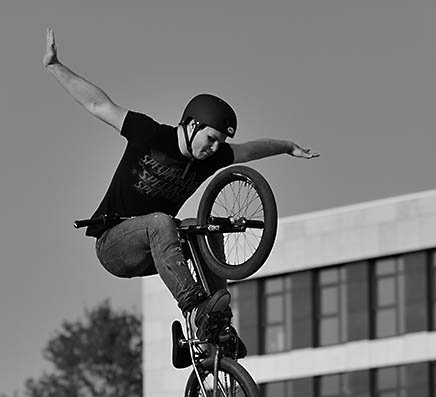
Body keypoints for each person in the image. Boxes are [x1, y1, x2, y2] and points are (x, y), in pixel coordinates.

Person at [43, 27, 319, 350]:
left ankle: (217, 324)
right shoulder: (149, 134)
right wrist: (54, 66)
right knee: (162, 221)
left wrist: (287, 146)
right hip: (114, 244)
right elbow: (98, 105)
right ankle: (196, 308)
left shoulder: (208, 160)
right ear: (191, 125)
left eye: (220, 143)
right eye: (211, 139)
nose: (215, 149)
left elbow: (250, 150)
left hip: (158, 249)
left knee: (202, 228)